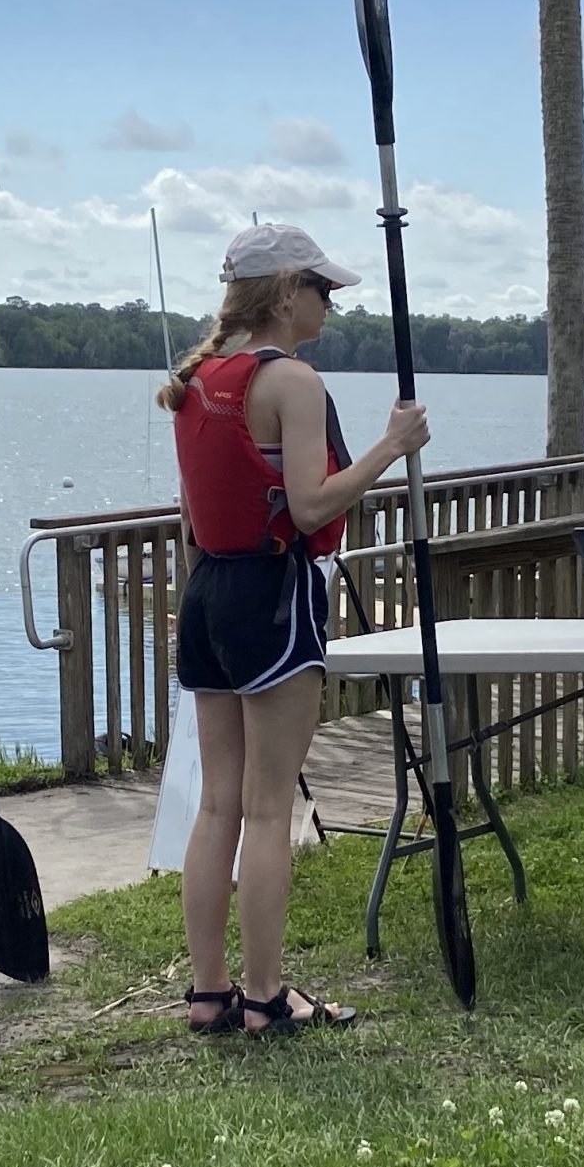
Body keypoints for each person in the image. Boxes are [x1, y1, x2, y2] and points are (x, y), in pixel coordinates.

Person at [162, 223, 426, 1034]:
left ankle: (210, 992)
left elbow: (191, 516)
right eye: (323, 289)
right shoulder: (292, 382)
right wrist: (393, 443)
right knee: (270, 808)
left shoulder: (199, 376)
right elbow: (311, 505)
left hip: (208, 592)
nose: (331, 305)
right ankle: (267, 996)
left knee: (219, 806)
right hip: (275, 593)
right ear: (285, 292)